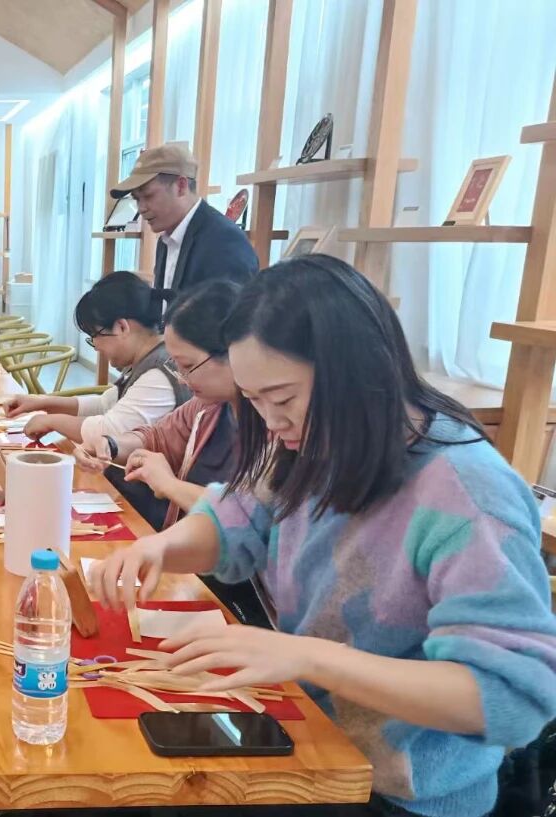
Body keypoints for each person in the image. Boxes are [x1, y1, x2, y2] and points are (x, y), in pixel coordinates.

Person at [93, 256, 556, 817]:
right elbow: (236, 521)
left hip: (401, 794)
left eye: (282, 399)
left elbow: (512, 698)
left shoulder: (465, 494)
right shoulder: (312, 445)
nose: (271, 422)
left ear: (357, 373)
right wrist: (160, 547)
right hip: (310, 740)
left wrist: (310, 657)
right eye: (254, 401)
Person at [74, 280, 244, 532]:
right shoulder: (206, 407)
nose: (182, 378)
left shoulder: (274, 425)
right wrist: (109, 445)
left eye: (187, 366)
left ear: (234, 354)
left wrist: (169, 485)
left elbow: (250, 517)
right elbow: (156, 437)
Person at [2, 271, 188, 443]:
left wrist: (52, 421)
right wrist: (40, 402)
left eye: (94, 336)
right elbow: (104, 405)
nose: (96, 347)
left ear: (122, 327)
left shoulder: (159, 374)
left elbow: (110, 432)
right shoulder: (146, 360)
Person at [111, 144, 257, 296]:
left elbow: (230, 316)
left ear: (181, 186)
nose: (141, 208)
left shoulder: (225, 242)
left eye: (148, 196)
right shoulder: (166, 240)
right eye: (136, 199)